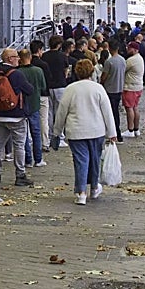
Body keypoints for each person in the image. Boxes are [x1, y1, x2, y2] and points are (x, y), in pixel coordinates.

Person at [53, 58, 117, 205]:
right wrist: (112, 133)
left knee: (81, 161)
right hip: (96, 130)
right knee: (95, 160)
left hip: (76, 131)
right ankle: (94, 188)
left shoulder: (71, 89)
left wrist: (56, 132)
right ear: (92, 71)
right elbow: (107, 112)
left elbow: (62, 111)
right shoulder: (98, 88)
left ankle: (81, 192)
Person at [0, 47, 35, 187]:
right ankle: (20, 175)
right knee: (19, 145)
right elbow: (29, 90)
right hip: (16, 115)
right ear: (10, 58)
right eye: (16, 56)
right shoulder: (17, 74)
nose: (18, 59)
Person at [17, 48, 47, 168]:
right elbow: (43, 86)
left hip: (21, 105)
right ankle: (38, 159)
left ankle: (27, 160)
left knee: (23, 134)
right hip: (34, 103)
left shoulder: (18, 72)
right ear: (30, 57)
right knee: (36, 132)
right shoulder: (38, 71)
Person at [100, 40, 126, 142]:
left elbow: (104, 77)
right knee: (115, 111)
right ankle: (116, 132)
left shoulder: (109, 62)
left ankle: (115, 132)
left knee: (111, 112)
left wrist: (101, 82)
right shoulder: (123, 60)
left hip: (110, 89)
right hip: (119, 87)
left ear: (110, 49)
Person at [122, 41, 145, 137]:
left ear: (135, 49)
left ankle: (130, 129)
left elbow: (123, 69)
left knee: (129, 108)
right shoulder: (140, 58)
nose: (127, 49)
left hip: (130, 87)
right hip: (138, 86)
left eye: (129, 48)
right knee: (135, 107)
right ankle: (136, 129)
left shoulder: (131, 60)